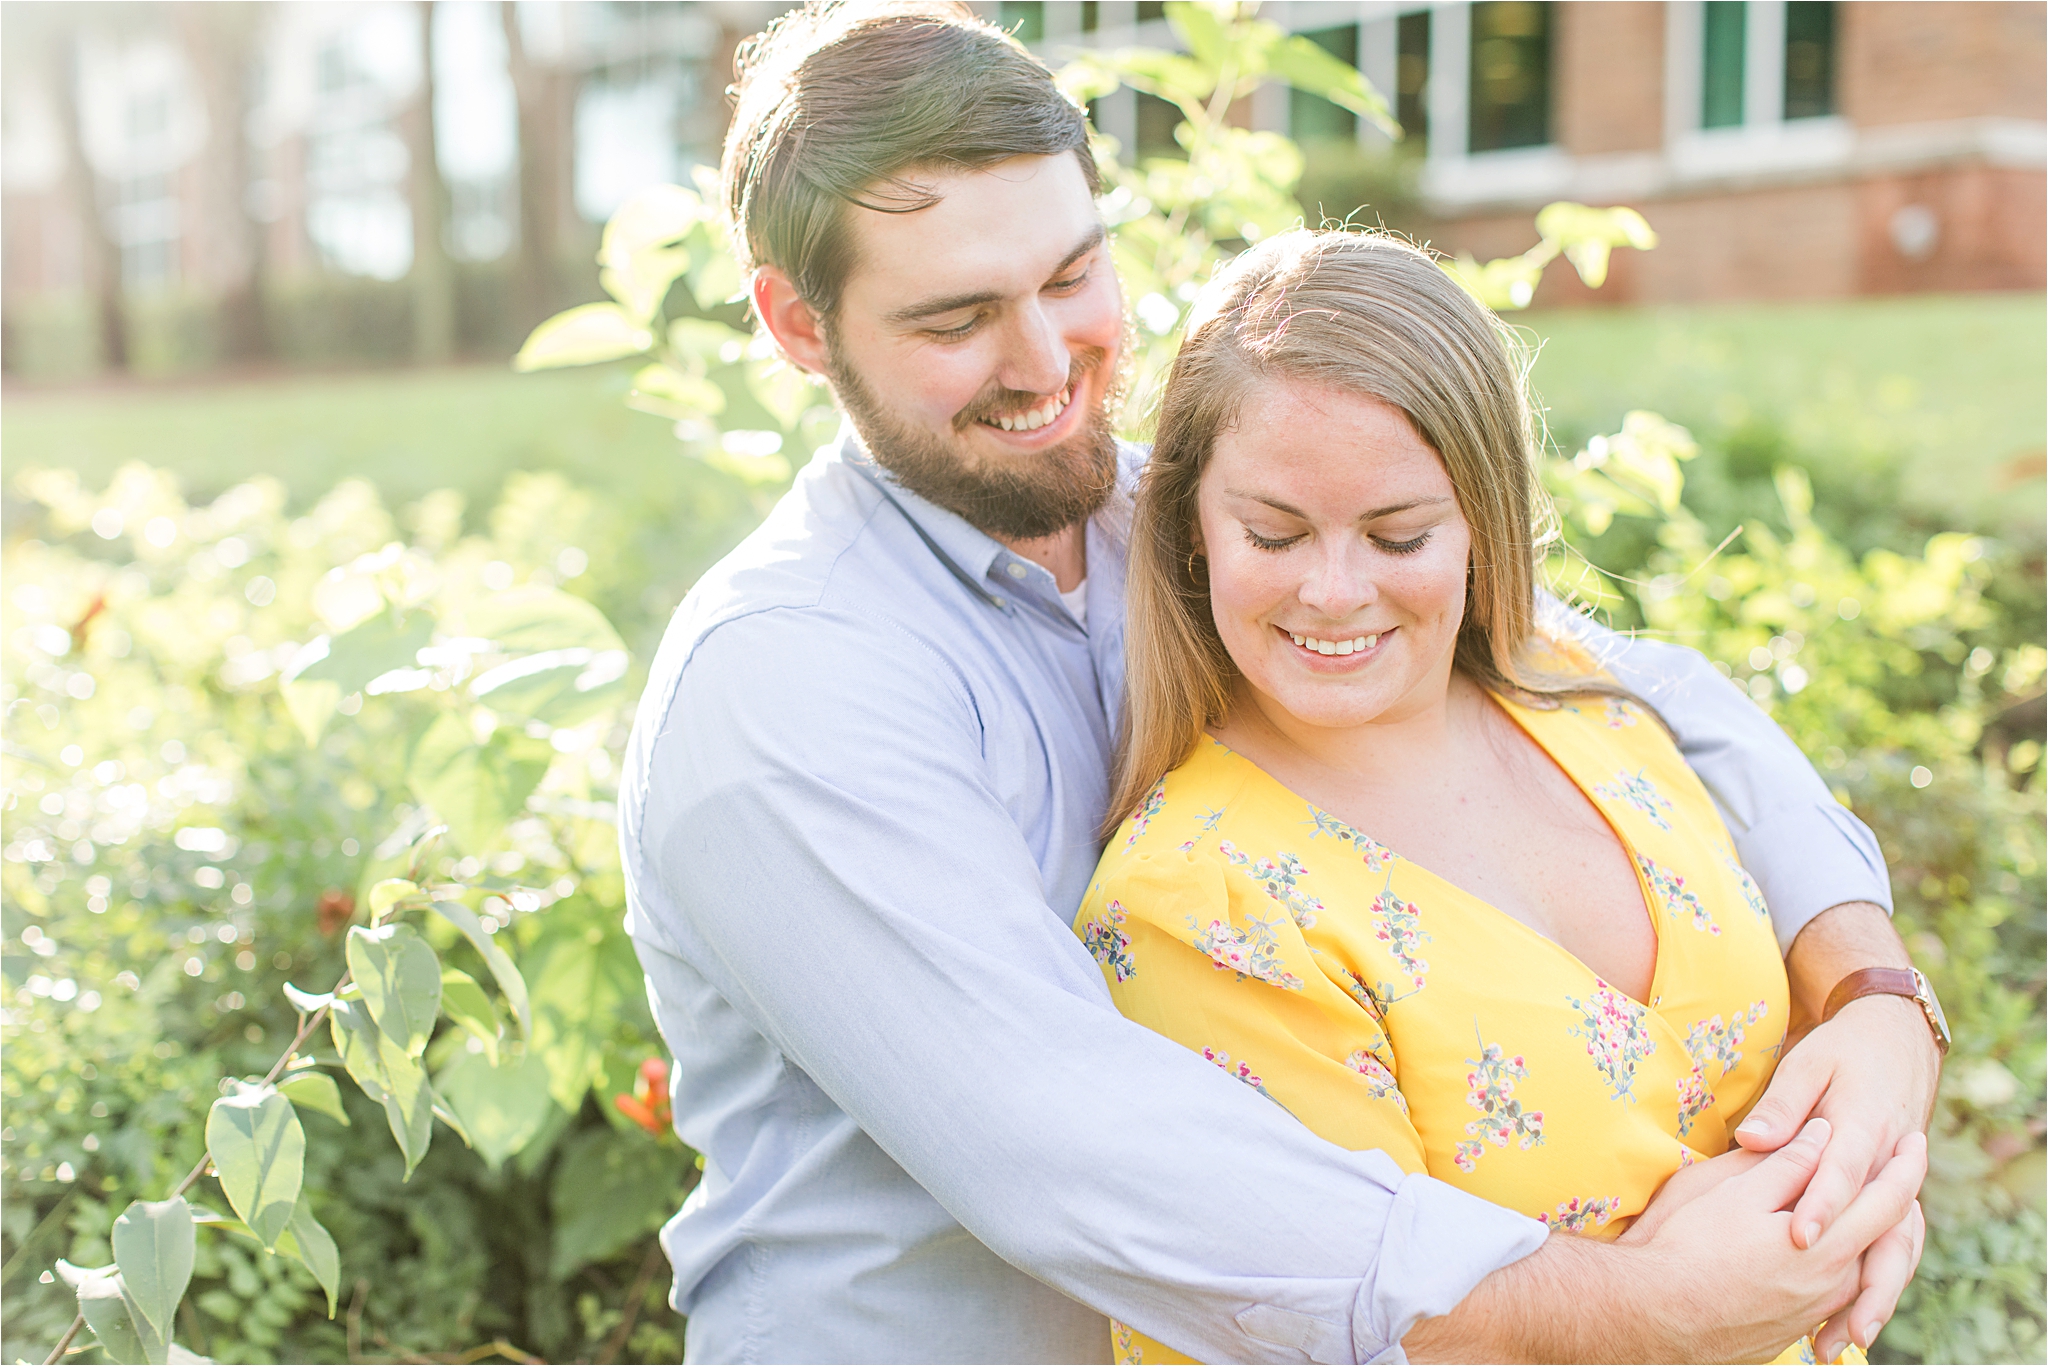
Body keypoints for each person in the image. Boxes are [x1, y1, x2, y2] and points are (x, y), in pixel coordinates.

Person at [618, 5, 1942, 1361]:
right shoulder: (783, 692)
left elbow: (1638, 692)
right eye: (959, 317)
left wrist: (1872, 1003)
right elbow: (1069, 1140)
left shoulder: (1205, 523)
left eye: (1072, 276)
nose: (1047, 364)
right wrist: (1628, 1309)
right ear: (796, 323)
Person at [1074, 228, 1930, 1366]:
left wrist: (1856, 1172)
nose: (1333, 592)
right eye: (1272, 532)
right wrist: (1683, 1311)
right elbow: (1315, 1328)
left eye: (1398, 534)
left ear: (1481, 518)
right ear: (1189, 524)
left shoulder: (1583, 700)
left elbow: (1788, 1075)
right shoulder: (1202, 906)